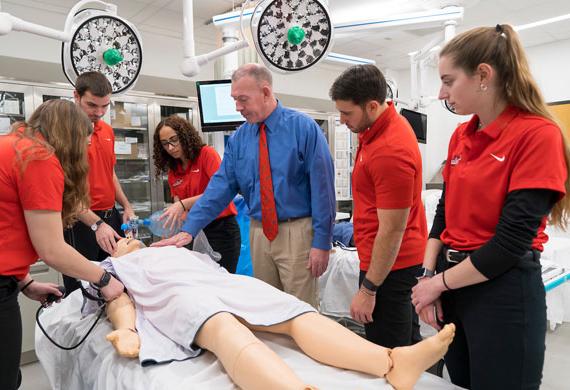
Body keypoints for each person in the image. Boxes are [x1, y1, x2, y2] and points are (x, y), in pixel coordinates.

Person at [411, 24, 570, 390]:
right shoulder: (461, 136)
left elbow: (510, 243)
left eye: (449, 81)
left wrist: (438, 284)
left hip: (502, 291)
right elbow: (442, 217)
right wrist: (427, 276)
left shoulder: (536, 135)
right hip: (454, 288)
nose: (441, 93)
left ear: (483, 75)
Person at [86, 237, 455, 390]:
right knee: (221, 326)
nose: (126, 239)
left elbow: (220, 271)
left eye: (127, 238)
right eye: (119, 241)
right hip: (179, 295)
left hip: (226, 284)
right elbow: (118, 300)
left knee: (293, 311)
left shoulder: (176, 249)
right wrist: (127, 329)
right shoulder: (112, 268)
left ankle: (392, 362)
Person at [152, 63, 336, 307]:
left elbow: (323, 190)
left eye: (243, 99)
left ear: (266, 93)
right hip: (259, 232)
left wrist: (322, 242)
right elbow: (219, 187)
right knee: (267, 307)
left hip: (297, 232)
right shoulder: (239, 139)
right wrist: (190, 228)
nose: (238, 107)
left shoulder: (303, 128)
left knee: (301, 309)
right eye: (234, 99)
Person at [0, 99, 125, 390]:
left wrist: (25, 281)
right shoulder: (38, 158)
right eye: (84, 142)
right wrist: (104, 279)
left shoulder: (14, 144)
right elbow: (53, 249)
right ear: (70, 136)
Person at [329, 64, 427, 348]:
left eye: (347, 113)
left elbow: (392, 231)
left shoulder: (389, 150)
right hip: (387, 262)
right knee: (407, 346)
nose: (342, 119)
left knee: (387, 354)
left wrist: (369, 289)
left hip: (390, 269)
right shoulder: (375, 129)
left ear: (372, 106)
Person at [62, 71, 135, 294]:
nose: (99, 113)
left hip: (109, 217)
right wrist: (95, 224)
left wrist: (126, 205)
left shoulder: (107, 130)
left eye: (105, 106)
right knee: (82, 291)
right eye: (92, 105)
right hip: (80, 222)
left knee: (117, 284)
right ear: (76, 96)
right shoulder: (64, 133)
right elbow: (64, 190)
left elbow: (109, 171)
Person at [152, 115, 241, 273]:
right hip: (194, 230)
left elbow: (220, 192)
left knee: (223, 279)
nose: (171, 147)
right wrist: (169, 232)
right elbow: (179, 210)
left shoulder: (207, 154)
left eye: (174, 140)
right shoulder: (174, 171)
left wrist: (182, 204)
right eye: (165, 144)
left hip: (221, 229)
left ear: (185, 135)